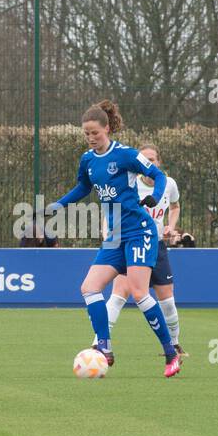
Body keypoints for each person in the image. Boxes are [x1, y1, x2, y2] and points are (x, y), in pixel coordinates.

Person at [47, 100, 181, 378]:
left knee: (139, 292)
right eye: (86, 134)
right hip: (115, 236)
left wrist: (155, 196)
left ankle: (171, 353)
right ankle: (105, 349)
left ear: (107, 128)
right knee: (89, 288)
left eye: (95, 132)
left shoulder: (126, 155)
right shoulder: (87, 160)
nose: (91, 138)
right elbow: (83, 187)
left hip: (139, 231)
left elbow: (157, 175)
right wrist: (57, 206)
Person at [104, 144, 185, 360]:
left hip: (157, 246)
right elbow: (113, 208)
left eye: (153, 159)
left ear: (158, 162)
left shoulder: (168, 184)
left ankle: (175, 344)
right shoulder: (130, 184)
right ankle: (100, 343)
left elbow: (175, 206)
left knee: (167, 300)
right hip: (130, 242)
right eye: (145, 159)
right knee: (119, 293)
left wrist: (171, 226)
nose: (149, 162)